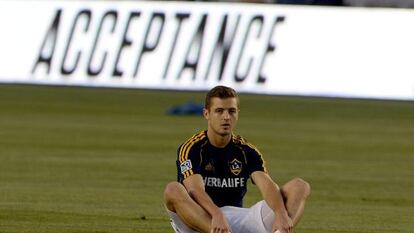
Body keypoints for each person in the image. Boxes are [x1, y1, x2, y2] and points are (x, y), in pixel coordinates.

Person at [163, 85, 310, 233]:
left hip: (235, 220)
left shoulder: (247, 150)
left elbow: (267, 186)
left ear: (237, 113)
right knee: (172, 189)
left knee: (299, 186)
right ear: (206, 113)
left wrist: (281, 214)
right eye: (219, 111)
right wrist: (216, 214)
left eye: (231, 111)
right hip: (198, 220)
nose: (226, 117)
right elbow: (195, 190)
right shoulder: (191, 148)